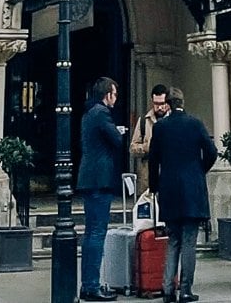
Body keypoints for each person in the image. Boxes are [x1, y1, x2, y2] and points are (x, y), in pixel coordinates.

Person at [147, 88, 217, 303]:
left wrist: (154, 187)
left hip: (169, 188)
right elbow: (212, 151)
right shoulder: (194, 123)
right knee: (189, 242)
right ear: (182, 102)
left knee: (173, 241)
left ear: (167, 104)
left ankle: (168, 289)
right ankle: (185, 289)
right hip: (192, 189)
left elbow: (153, 160)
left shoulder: (160, 127)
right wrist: (199, 170)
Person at [77, 75, 126, 302]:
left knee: (90, 233)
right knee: (97, 232)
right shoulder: (101, 112)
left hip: (90, 177)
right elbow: (116, 140)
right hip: (99, 178)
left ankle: (89, 283)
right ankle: (91, 286)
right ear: (108, 94)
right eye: (114, 94)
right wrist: (120, 131)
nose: (115, 98)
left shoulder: (89, 113)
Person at [129, 83, 171, 196]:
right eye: (156, 104)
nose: (160, 107)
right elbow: (133, 147)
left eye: (162, 103)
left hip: (169, 172)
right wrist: (148, 147)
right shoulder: (144, 121)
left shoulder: (173, 120)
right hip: (148, 176)